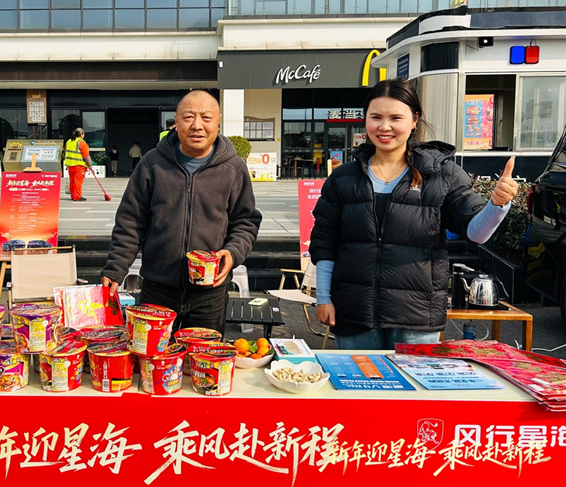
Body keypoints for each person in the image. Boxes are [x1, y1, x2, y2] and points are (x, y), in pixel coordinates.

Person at [310, 79, 518, 350]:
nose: (384, 127)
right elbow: (325, 243)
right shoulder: (343, 179)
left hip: (416, 318)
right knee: (358, 379)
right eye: (376, 117)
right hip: (354, 313)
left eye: (395, 118)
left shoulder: (441, 175)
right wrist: (324, 298)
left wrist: (497, 205)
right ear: (366, 120)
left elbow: (475, 233)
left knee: (411, 380)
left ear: (414, 120)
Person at [101, 90, 262, 334]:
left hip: (210, 293)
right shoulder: (152, 164)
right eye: (188, 117)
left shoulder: (233, 168)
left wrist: (232, 252)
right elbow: (131, 222)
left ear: (218, 122)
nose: (197, 125)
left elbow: (246, 221)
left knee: (202, 356)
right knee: (151, 355)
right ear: (176, 121)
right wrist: (116, 268)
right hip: (157, 289)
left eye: (206, 118)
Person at [64, 127, 93, 201]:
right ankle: (77, 196)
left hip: (70, 164)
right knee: (78, 181)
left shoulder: (69, 141)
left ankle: (73, 195)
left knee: (72, 181)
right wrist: (90, 165)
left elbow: (66, 151)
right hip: (79, 165)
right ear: (81, 134)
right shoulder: (81, 142)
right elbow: (86, 155)